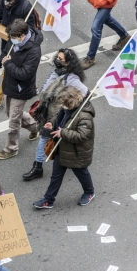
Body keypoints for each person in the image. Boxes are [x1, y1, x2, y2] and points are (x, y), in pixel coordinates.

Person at [23, 48, 88, 181]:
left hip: (57, 115)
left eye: (61, 59)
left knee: (44, 138)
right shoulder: (56, 70)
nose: (57, 60)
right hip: (49, 111)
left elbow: (85, 93)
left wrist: (69, 109)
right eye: (57, 57)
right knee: (57, 138)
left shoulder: (71, 78)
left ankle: (38, 167)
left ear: (68, 63)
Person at [33, 86, 96, 209]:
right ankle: (48, 199)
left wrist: (62, 133)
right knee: (56, 176)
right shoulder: (67, 110)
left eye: (64, 103)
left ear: (70, 102)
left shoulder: (84, 116)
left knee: (82, 173)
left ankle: (89, 192)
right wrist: (52, 123)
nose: (62, 106)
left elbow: (81, 136)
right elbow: (59, 118)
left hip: (77, 153)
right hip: (63, 149)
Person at [0, 19, 42, 160]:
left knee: (14, 120)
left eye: (13, 38)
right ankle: (35, 127)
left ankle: (11, 148)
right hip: (10, 84)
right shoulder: (14, 40)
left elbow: (25, 74)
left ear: (22, 36)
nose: (11, 40)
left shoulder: (34, 50)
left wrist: (7, 64)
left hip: (22, 89)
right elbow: (5, 53)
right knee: (10, 112)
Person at [0, 0, 37, 113]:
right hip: (8, 42)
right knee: (22, 70)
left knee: (7, 74)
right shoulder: (4, 1)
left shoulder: (26, 7)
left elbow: (30, 29)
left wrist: (17, 38)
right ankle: (32, 86)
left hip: (21, 47)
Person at [81, 0, 130, 70]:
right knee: (107, 19)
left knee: (96, 27)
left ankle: (90, 57)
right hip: (100, 1)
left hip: (106, 1)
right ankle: (124, 37)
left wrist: (110, 0)